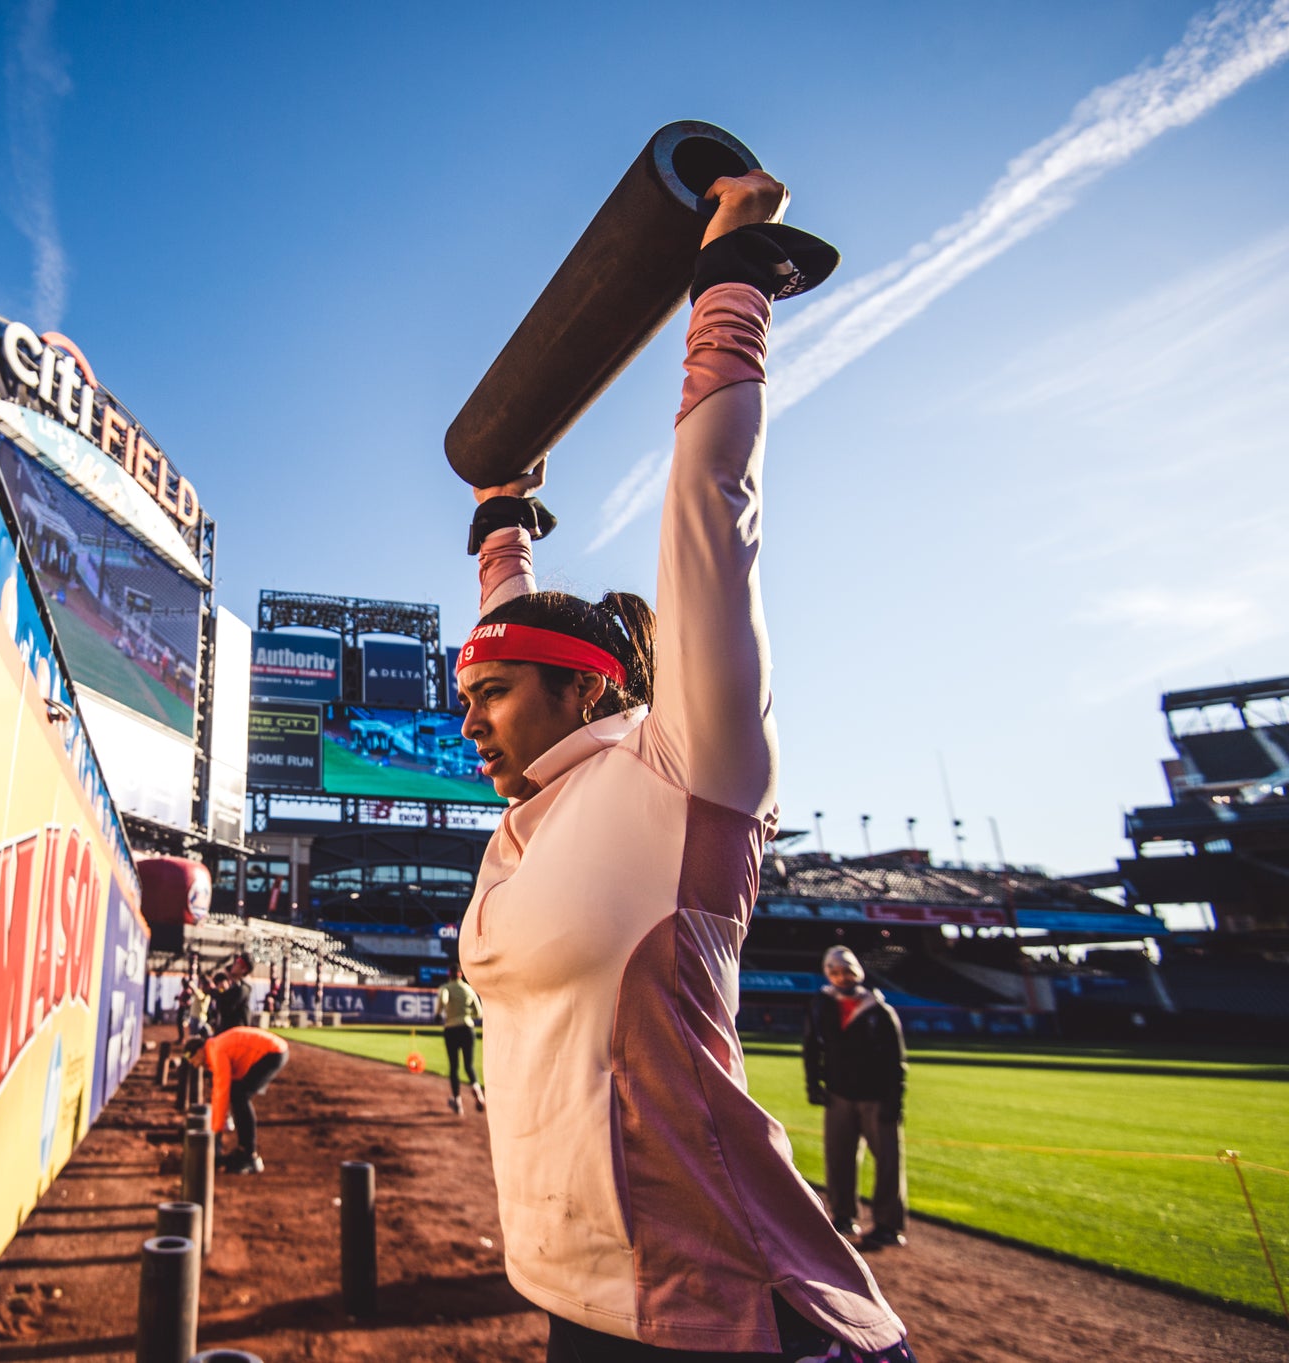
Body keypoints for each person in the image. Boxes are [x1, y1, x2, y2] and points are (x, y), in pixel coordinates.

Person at [455, 170, 914, 1362]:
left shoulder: (681, 769)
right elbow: (513, 636)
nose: (469, 723)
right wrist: (500, 519)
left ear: (590, 688)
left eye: (491, 695)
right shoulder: (528, 827)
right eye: (467, 698)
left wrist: (728, 289)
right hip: (582, 1303)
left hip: (731, 1316)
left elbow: (712, 508)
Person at [804, 945, 908, 1250]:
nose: (841, 977)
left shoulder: (878, 1009)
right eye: (834, 972)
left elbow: (895, 1060)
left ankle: (888, 1224)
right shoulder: (821, 1004)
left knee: (889, 1162)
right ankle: (843, 1216)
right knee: (839, 1160)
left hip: (877, 1097)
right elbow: (812, 1046)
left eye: (846, 971)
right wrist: (814, 1083)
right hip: (838, 1095)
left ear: (857, 973)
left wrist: (895, 1101)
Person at [183, 1025, 289, 1175]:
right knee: (237, 1094)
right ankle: (244, 1149)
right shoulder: (213, 1048)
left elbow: (221, 1092)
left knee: (240, 1097)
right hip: (272, 1050)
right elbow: (219, 1091)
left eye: (192, 1059)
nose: (193, 1064)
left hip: (273, 1052)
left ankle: (250, 1157)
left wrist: (216, 1131)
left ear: (200, 1051)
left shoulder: (216, 1052)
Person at [435, 964, 485, 1114]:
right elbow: (479, 1013)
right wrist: (466, 1013)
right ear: (460, 975)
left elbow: (443, 1000)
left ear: (449, 974)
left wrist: (439, 1013)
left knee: (454, 1066)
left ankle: (457, 1101)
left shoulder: (446, 988)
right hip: (467, 1028)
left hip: (451, 1029)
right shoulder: (469, 989)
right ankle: (477, 1090)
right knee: (469, 1065)